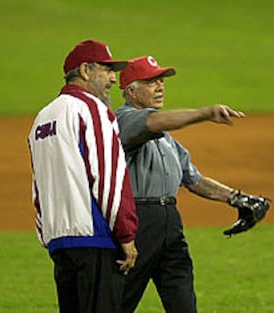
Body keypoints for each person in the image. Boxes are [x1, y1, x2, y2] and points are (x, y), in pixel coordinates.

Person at [115, 55, 253, 313]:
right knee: (119, 302)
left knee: (183, 303)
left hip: (170, 224)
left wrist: (237, 198)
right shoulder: (123, 121)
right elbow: (153, 122)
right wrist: (206, 113)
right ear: (130, 91)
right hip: (139, 223)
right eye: (151, 81)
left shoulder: (164, 136)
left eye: (161, 81)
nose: (160, 87)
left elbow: (193, 179)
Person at [27, 40, 138, 313]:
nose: (114, 78)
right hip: (95, 237)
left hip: (60, 241)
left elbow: (39, 183)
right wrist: (126, 235)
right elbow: (108, 178)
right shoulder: (91, 109)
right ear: (86, 70)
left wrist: (49, 235)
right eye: (107, 70)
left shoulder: (42, 117)